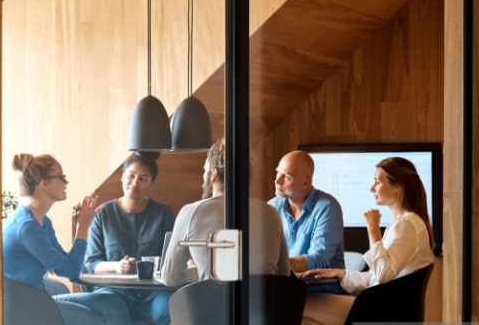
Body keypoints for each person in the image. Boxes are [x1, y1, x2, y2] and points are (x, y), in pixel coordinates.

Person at [298, 157, 436, 325]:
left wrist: (373, 229)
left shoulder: (407, 224)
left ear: (398, 186)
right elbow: (377, 277)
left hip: (382, 311)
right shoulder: (405, 222)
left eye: (377, 182)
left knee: (297, 308)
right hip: (382, 306)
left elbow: (383, 275)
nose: (372, 188)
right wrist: (341, 273)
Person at [2, 153, 132, 325]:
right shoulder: (27, 227)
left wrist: (81, 228)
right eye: (61, 177)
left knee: (112, 302)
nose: (66, 182)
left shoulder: (42, 221)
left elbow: (68, 264)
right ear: (44, 183)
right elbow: (71, 271)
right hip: (25, 307)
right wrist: (83, 228)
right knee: (102, 320)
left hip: (38, 296)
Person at [161, 139, 290, 285]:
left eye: (205, 171)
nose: (203, 177)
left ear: (213, 174)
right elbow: (284, 275)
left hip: (213, 306)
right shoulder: (271, 213)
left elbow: (169, 278)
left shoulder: (190, 212)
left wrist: (200, 271)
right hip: (261, 306)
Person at [84, 151, 175, 325]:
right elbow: (91, 263)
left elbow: (173, 258)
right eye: (131, 176)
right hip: (113, 291)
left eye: (143, 179)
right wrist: (118, 266)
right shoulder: (103, 214)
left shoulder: (163, 213)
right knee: (110, 309)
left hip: (155, 292)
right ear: (122, 176)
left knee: (169, 310)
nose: (134, 183)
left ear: (151, 184)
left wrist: (161, 262)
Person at [268, 151, 345, 293]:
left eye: (287, 177)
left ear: (306, 182)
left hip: (320, 292)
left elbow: (319, 260)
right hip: (287, 290)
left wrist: (276, 264)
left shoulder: (328, 207)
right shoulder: (272, 206)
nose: (277, 181)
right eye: (278, 173)